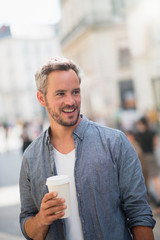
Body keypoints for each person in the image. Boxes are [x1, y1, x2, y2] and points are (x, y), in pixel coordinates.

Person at [19, 57, 156, 240]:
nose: (71, 101)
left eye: (75, 92)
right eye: (60, 94)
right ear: (41, 98)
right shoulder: (31, 158)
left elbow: (139, 214)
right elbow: (27, 224)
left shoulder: (115, 143)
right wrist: (41, 219)